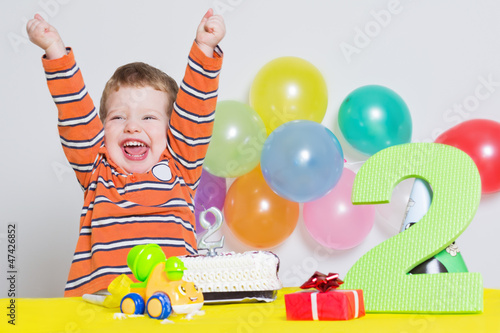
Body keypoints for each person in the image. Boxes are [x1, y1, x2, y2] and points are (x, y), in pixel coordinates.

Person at [26, 9, 225, 297]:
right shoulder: (96, 168)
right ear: (102, 129)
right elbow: (75, 111)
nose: (132, 127)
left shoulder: (180, 164)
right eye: (118, 117)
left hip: (172, 302)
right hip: (98, 307)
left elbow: (196, 110)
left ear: (172, 131)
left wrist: (205, 49)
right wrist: (55, 51)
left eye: (148, 118)